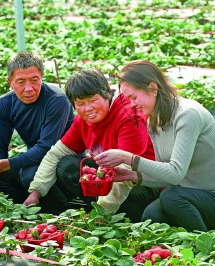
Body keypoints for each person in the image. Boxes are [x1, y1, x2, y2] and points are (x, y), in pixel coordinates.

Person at [93, 60, 215, 232]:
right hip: (192, 196)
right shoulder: (153, 121)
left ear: (153, 88)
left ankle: (205, 244)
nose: (132, 104)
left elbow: (175, 175)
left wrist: (127, 158)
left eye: (134, 97)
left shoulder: (187, 115)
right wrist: (132, 175)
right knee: (152, 215)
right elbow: (165, 175)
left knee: (171, 197)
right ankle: (183, 249)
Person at [24, 68, 161, 222]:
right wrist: (36, 191)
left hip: (144, 184)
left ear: (107, 94)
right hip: (108, 180)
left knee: (127, 201)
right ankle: (95, 211)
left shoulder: (128, 115)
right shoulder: (81, 121)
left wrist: (101, 214)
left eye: (92, 100)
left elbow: (124, 172)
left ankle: (106, 215)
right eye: (80, 103)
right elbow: (55, 154)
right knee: (66, 165)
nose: (88, 109)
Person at [0, 51, 75, 214]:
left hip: (64, 160)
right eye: (21, 81)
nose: (29, 88)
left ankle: (64, 211)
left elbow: (46, 147)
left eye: (34, 80)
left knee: (30, 176)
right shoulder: (5, 104)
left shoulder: (56, 100)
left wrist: (5, 164)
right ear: (10, 82)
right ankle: (29, 208)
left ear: (42, 77)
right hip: (35, 159)